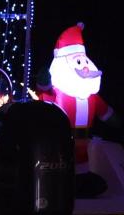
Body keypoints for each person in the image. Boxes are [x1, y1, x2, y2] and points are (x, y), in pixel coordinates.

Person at [38, 22, 117, 197]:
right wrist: (43, 83)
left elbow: (106, 114)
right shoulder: (58, 93)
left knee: (82, 167)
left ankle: (80, 183)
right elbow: (44, 95)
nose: (86, 67)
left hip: (83, 149)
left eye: (85, 61)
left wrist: (116, 121)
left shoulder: (92, 97)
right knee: (59, 167)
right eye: (80, 62)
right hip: (59, 146)